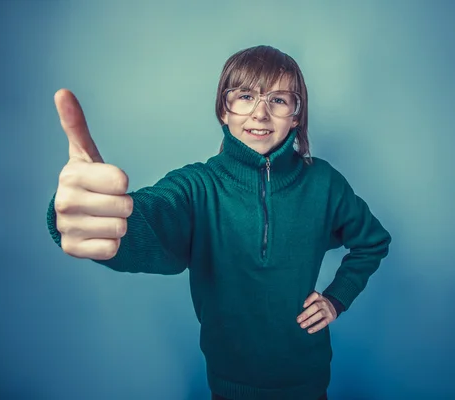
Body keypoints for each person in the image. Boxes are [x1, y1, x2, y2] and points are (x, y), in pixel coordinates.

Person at [46, 45, 392, 400]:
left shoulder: (323, 182)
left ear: (296, 115)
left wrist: (337, 298)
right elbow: (153, 215)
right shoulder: (198, 187)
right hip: (229, 386)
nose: (260, 114)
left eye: (278, 100)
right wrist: (99, 213)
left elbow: (373, 241)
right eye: (245, 96)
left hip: (309, 383)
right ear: (223, 110)